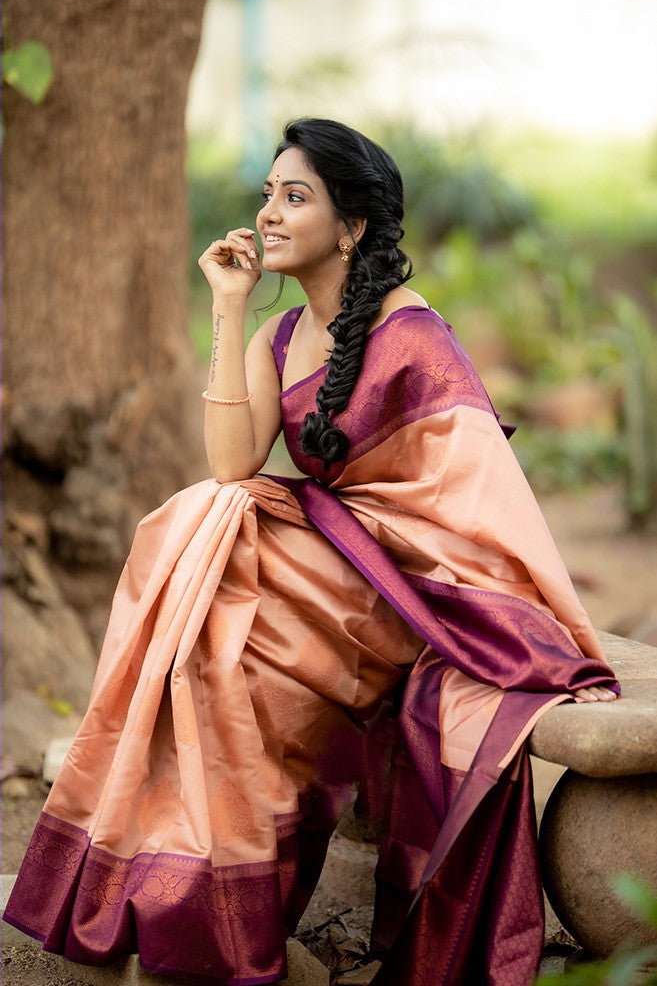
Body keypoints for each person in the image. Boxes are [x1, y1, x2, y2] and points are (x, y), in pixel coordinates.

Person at [4, 118, 619, 985]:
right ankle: (199, 903)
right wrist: (229, 306)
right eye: (266, 195)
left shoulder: (413, 334)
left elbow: (476, 499)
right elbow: (232, 461)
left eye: (294, 197)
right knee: (213, 625)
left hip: (418, 586)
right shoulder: (281, 335)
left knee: (215, 539)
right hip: (335, 571)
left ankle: (210, 901)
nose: (267, 213)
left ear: (351, 225)